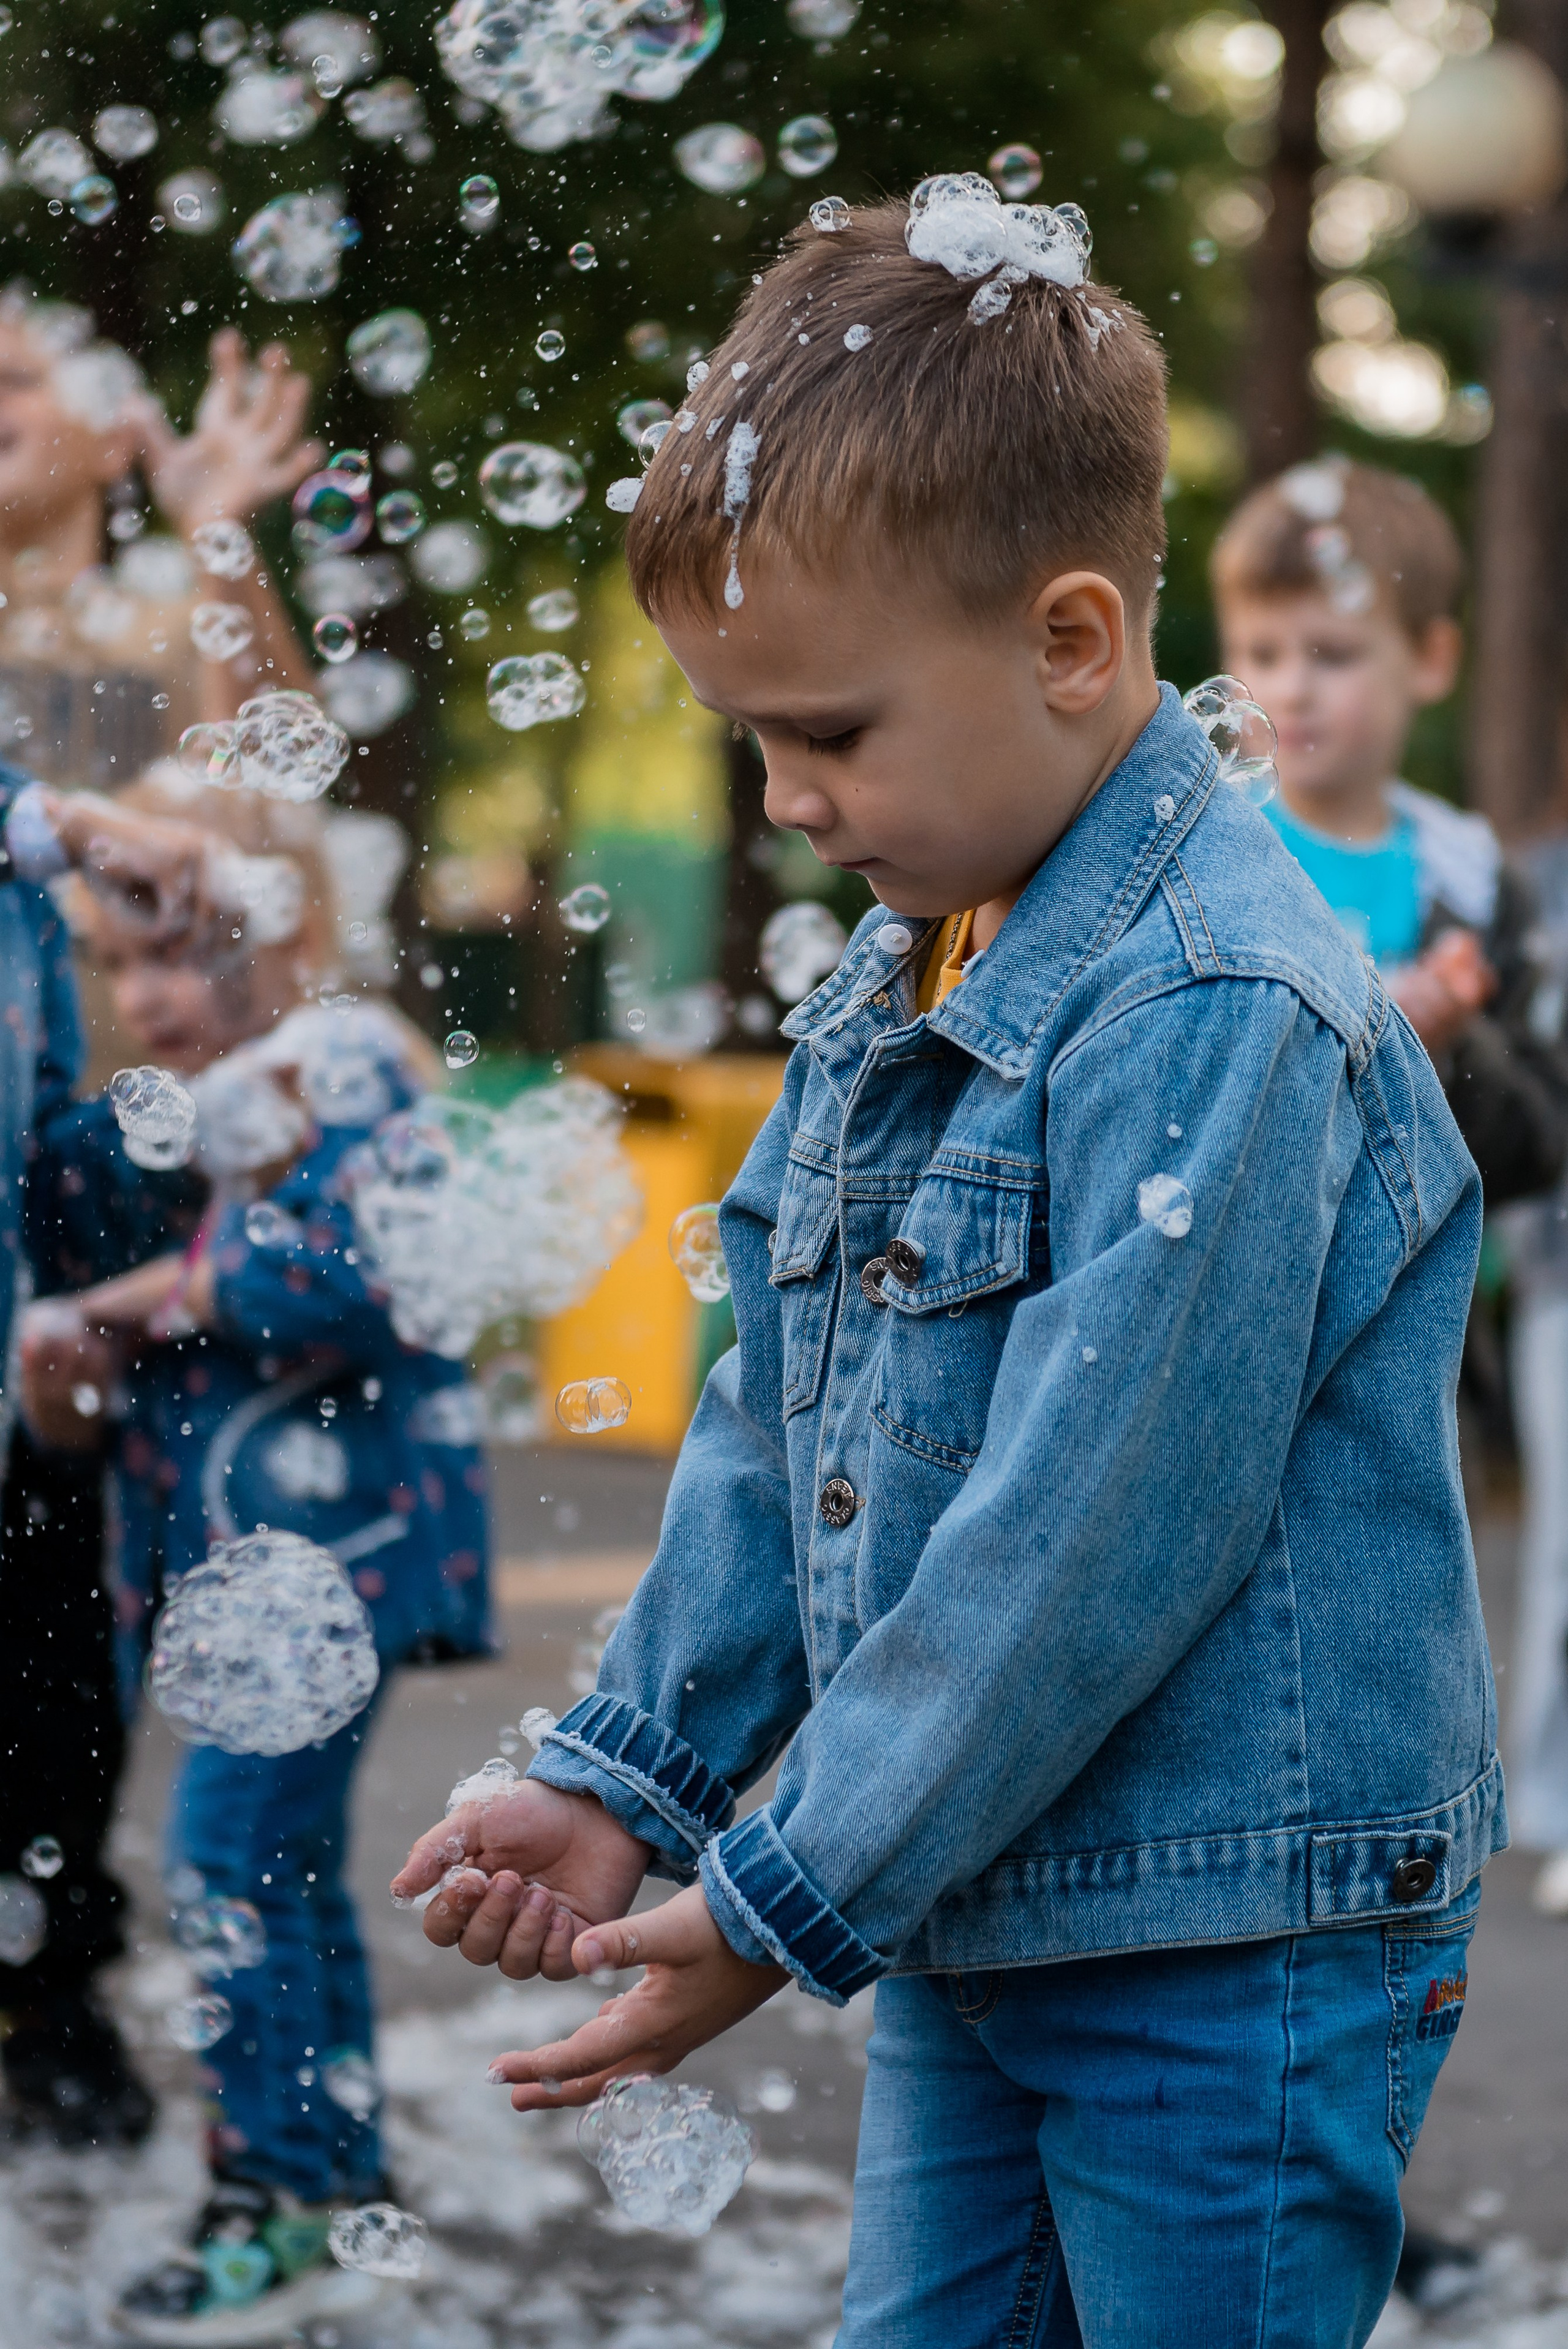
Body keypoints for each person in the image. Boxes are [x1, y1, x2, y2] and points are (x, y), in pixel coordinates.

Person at [391, 190, 1501, 2345]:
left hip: (1233, 1936)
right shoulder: (914, 965)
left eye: (832, 732)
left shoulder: (1218, 1008)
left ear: (1072, 641)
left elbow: (1084, 1530)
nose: (792, 800)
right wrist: (630, 1767)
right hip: (989, 1891)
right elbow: (777, 1415)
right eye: (755, 743)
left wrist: (781, 1894)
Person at [17, 772, 492, 2339]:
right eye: (124, 953)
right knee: (269, 1870)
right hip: (219, 1582)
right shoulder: (145, 1130)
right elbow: (99, 1381)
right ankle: (328, 2174)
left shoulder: (339, 1063)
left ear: (296, 922)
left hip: (324, 1570)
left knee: (229, 1865)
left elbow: (317, 1271)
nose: (155, 989)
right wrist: (65, 1374)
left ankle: (271, 2196)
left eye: (196, 941)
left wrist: (104, 1305)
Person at [0, 296, 322, 2149]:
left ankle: (53, 1972)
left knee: (63, 1587)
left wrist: (213, 529)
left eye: (20, 372)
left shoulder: (141, 619)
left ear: (117, 428)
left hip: (114, 1157)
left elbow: (263, 779)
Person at [1212, 455, 1568, 1208]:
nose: (1290, 689)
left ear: (1431, 659)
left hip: (1427, 1321)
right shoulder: (1206, 855)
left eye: (1331, 655)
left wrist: (1450, 1050)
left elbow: (1541, 1141)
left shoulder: (1471, 880)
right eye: (1261, 652)